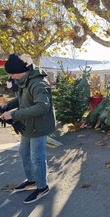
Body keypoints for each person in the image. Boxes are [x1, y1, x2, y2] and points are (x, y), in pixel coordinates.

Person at [0, 54, 56, 204]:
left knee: (37, 158)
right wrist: (8, 105)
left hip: (39, 127)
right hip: (28, 125)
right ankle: (32, 180)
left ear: (19, 70)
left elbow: (42, 107)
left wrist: (13, 114)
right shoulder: (25, 81)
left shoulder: (38, 84)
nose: (11, 76)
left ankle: (42, 187)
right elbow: (22, 99)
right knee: (23, 152)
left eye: (12, 73)